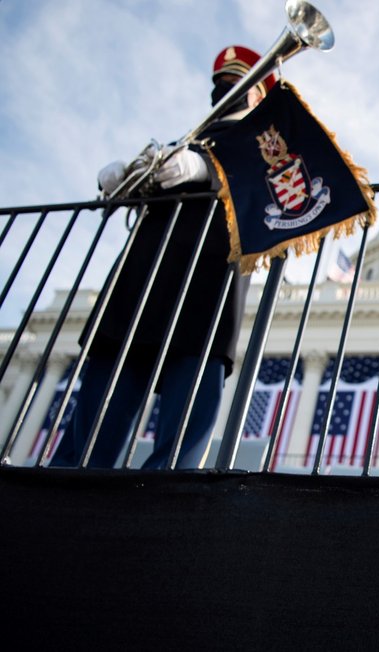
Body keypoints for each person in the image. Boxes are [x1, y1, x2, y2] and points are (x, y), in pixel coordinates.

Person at [50, 45, 277, 470]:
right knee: (96, 421)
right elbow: (142, 189)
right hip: (141, 278)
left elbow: (271, 192)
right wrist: (121, 179)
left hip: (208, 284)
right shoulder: (183, 142)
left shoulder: (265, 146)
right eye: (222, 86)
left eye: (238, 86)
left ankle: (165, 512)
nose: (226, 92)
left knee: (183, 431)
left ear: (259, 94)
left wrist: (206, 170)